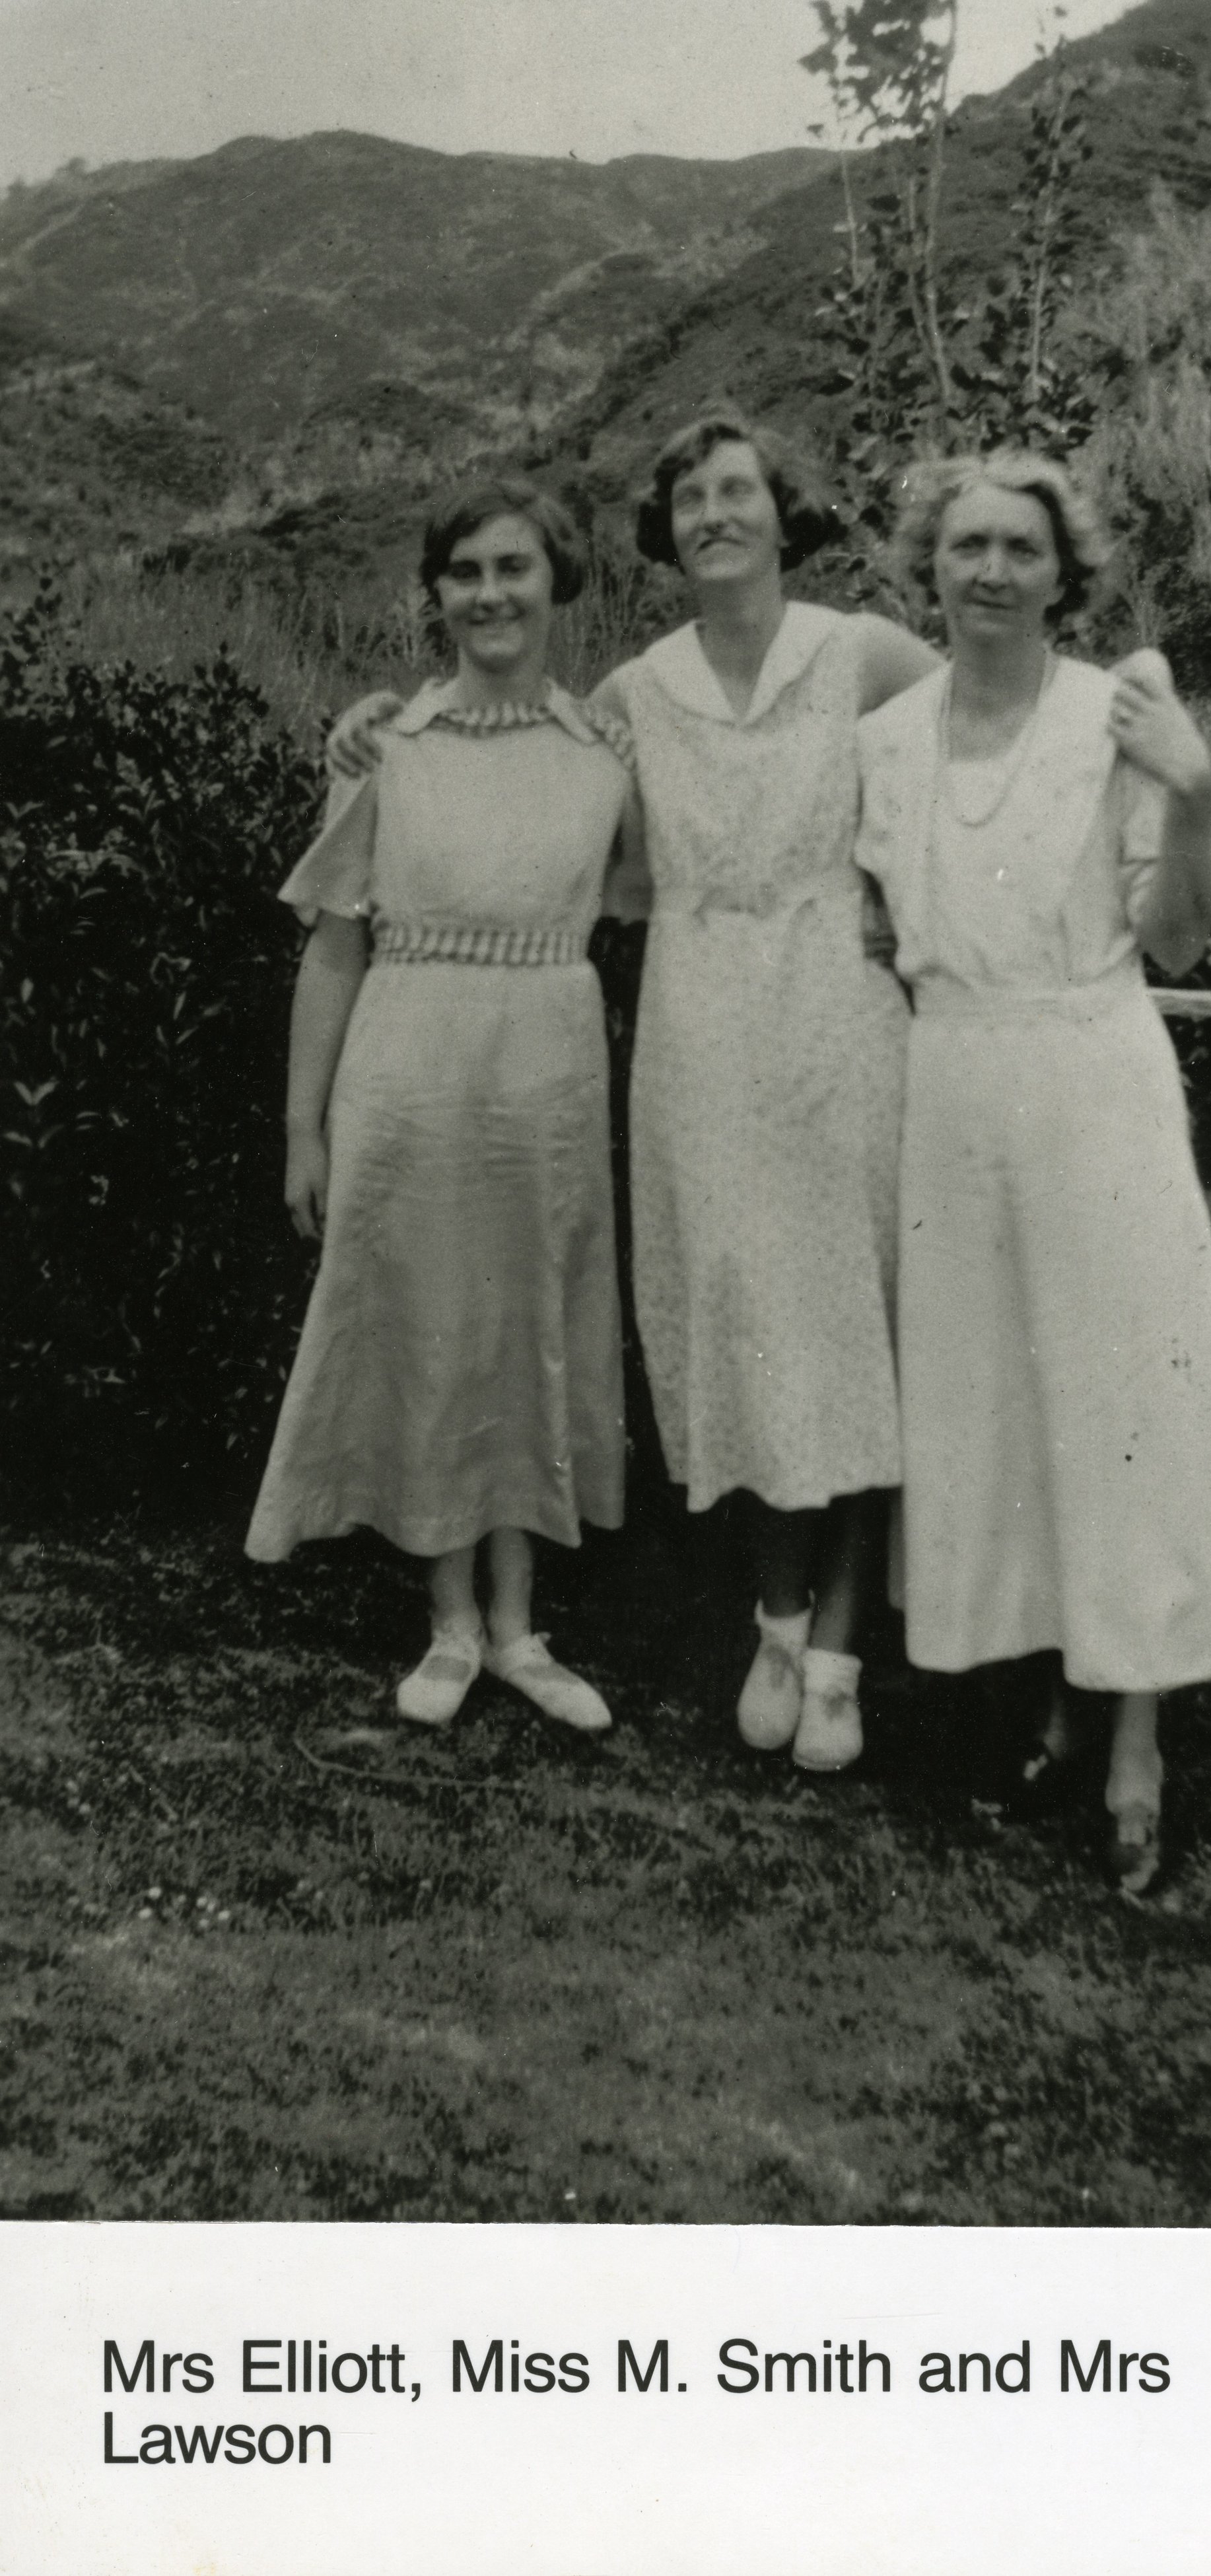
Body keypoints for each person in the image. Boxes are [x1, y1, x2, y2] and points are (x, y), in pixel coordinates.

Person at [330, 409, 940, 1770]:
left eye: (741, 488)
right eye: (692, 497)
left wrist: (915, 905)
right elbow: (509, 751)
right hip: (699, 1032)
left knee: (852, 1318)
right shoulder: (636, 692)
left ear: (786, 511)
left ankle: (836, 1653)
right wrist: (372, 725)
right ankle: (775, 1623)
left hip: (840, 1018)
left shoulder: (869, 651)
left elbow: (992, 739)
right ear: (666, 533)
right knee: (739, 1322)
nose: (717, 511)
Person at [856, 449, 1211, 1892]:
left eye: (1018, 550)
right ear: (930, 565)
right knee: (996, 1406)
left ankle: (1138, 1739)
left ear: (1063, 571)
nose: (987, 571)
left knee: (1117, 1400)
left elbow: (1175, 942)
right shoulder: (890, 739)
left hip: (1092, 1082)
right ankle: (1046, 1698)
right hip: (950, 1091)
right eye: (964, 545)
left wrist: (1198, 792)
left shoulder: (1121, 719)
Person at [246, 476, 638, 1736]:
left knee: (530, 1325)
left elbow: (673, 901)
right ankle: (452, 1622)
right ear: (436, 595)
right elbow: (332, 951)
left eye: (514, 568)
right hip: (411, 1076)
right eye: (465, 573)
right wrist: (303, 1129)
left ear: (557, 583)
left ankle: (523, 1628)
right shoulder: (386, 748)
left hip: (550, 1080)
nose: (490, 595)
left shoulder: (609, 756)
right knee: (428, 1330)